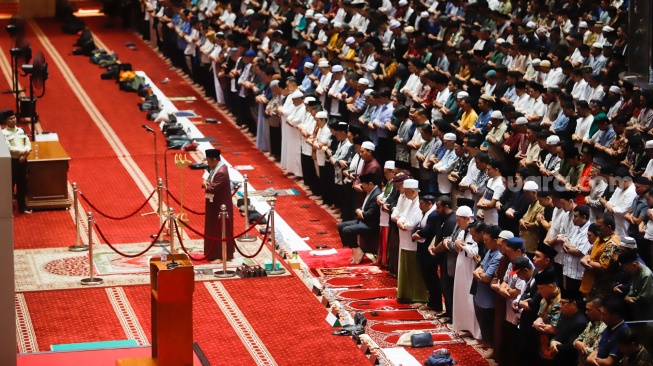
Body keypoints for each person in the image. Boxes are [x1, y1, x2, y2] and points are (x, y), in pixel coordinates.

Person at [448, 205, 481, 339]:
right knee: (461, 298)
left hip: (470, 270)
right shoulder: (463, 231)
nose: (457, 223)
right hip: (461, 269)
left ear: (467, 219)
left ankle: (476, 331)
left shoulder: (476, 230)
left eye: (459, 220)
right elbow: (457, 241)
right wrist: (456, 244)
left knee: (470, 301)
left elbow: (476, 251)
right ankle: (466, 327)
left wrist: (463, 246)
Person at [394, 179, 428, 303]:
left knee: (414, 270)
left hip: (412, 241)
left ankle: (417, 296)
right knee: (406, 268)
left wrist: (403, 224)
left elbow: (413, 222)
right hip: (404, 240)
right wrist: (400, 222)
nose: (404, 194)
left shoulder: (419, 203)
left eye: (406, 192)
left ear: (413, 191)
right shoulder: (411, 201)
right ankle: (406, 294)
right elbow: (402, 216)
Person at [472, 224, 503, 357]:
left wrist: (479, 274)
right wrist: (479, 273)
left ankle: (491, 345)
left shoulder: (498, 256)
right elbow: (479, 268)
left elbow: (486, 277)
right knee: (481, 317)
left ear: (495, 241)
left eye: (486, 240)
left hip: (489, 296)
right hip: (481, 293)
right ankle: (485, 341)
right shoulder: (490, 251)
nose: (484, 242)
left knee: (489, 320)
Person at [337, 173, 382, 264]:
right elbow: (364, 208)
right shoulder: (371, 192)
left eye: (364, 185)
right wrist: (359, 211)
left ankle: (358, 250)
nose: (363, 187)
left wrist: (360, 212)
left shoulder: (377, 194)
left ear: (370, 184)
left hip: (371, 224)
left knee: (347, 230)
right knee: (341, 226)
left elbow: (370, 214)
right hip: (363, 220)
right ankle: (355, 249)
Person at [202, 149, 235, 262]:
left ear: (214, 160)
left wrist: (204, 185)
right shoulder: (216, 168)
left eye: (209, 161)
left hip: (220, 206)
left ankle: (220, 255)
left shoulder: (221, 171)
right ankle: (214, 253)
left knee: (219, 229)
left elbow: (213, 188)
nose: (208, 163)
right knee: (214, 228)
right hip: (215, 204)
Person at [411, 194, 441, 311]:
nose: (419, 206)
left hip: (429, 251)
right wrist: (416, 233)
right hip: (422, 249)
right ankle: (431, 302)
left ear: (429, 203)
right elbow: (417, 226)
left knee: (431, 278)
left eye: (421, 204)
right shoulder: (426, 212)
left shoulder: (433, 215)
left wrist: (418, 234)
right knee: (427, 278)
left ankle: (436, 304)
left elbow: (428, 230)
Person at [1, 109, 31, 214]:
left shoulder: (21, 130)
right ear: (5, 121)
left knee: (22, 185)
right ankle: (9, 210)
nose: (13, 120)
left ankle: (22, 208)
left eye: (14, 118)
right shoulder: (3, 133)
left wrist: (25, 154)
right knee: (10, 186)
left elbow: (28, 143)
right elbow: (9, 148)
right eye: (10, 118)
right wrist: (23, 152)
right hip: (12, 162)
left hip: (23, 161)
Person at [549, 289, 589, 366]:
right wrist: (553, 341)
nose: (560, 306)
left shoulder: (580, 322)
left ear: (574, 304)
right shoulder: (566, 315)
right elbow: (559, 333)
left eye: (563, 303)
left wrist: (556, 345)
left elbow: (571, 347)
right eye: (560, 303)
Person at [585, 298, 629, 365]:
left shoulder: (623, 332)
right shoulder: (608, 327)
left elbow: (608, 362)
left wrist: (591, 359)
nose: (601, 317)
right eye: (601, 313)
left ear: (615, 315)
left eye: (605, 314)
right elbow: (597, 349)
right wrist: (590, 358)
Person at [618, 250, 653, 320]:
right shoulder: (635, 272)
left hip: (647, 312)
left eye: (626, 268)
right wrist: (627, 297)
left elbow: (644, 298)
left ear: (634, 264)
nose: (626, 270)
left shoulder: (646, 275)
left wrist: (629, 299)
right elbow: (632, 288)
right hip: (637, 311)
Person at [573, 297, 607, 365]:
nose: (586, 312)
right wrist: (577, 343)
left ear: (599, 310)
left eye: (589, 310)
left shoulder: (604, 327)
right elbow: (578, 340)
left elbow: (595, 352)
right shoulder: (591, 323)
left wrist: (580, 346)